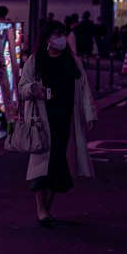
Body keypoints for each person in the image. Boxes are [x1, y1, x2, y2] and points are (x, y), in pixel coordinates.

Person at [18, 19, 97, 227]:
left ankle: (47, 208)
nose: (61, 39)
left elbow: (84, 89)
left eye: (62, 34)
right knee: (40, 165)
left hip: (66, 119)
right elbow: (22, 88)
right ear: (47, 39)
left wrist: (90, 114)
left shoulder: (72, 61)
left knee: (59, 164)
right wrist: (34, 89)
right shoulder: (35, 62)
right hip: (42, 119)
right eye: (56, 35)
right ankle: (41, 208)